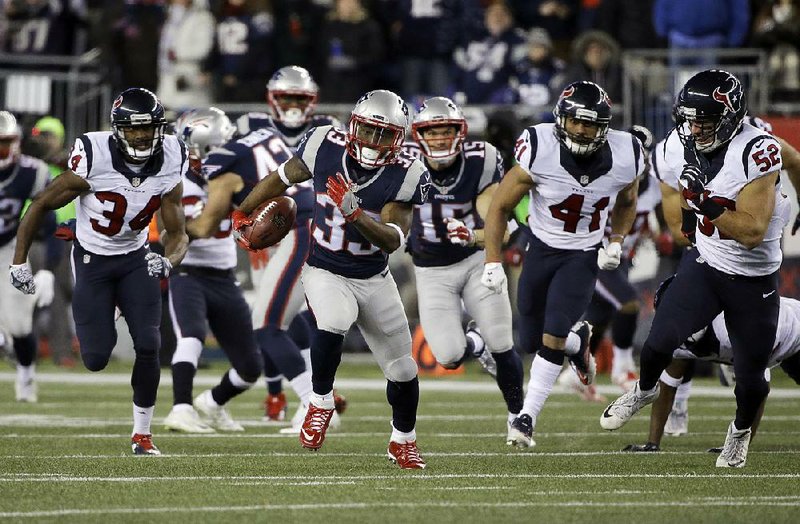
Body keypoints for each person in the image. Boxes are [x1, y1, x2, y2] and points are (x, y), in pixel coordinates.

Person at [600, 70, 791, 469]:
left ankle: (738, 435)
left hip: (753, 278)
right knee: (658, 341)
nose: (695, 127)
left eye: (705, 119)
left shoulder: (756, 150)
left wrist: (702, 202)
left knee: (751, 377)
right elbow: (671, 187)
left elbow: (752, 231)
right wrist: (684, 222)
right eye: (689, 118)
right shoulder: (676, 146)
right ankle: (644, 389)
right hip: (706, 263)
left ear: (732, 116)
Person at [231, 89, 432, 469]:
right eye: (368, 131)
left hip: (373, 276)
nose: (373, 142)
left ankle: (403, 440)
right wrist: (242, 211)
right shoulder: (323, 143)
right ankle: (319, 401)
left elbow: (393, 239)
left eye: (384, 135)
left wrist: (356, 216)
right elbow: (280, 178)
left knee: (403, 369)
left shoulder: (407, 173)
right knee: (335, 321)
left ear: (399, 139)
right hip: (324, 268)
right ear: (354, 126)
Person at [9, 88, 189, 455]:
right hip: (92, 258)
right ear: (117, 129)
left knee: (149, 344)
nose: (141, 136)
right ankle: (111, 306)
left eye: (148, 128)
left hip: (136, 256)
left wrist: (168, 260)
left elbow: (178, 231)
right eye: (133, 129)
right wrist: (19, 260)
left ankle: (142, 435)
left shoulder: (172, 156)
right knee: (95, 358)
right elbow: (41, 203)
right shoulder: (95, 154)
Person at [483, 81, 642, 448]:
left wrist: (615, 239)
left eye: (591, 124)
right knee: (529, 339)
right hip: (540, 249)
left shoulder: (625, 153)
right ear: (561, 119)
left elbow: (628, 200)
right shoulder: (539, 147)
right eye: (575, 122)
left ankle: (525, 419)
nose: (582, 130)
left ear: (605, 127)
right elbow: (501, 206)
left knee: (552, 333)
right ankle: (578, 342)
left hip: (582, 254)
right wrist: (493, 260)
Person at [404, 96, 525, 443]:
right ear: (419, 135)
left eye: (447, 131)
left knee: (503, 341)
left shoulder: (481, 160)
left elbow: (500, 224)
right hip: (430, 270)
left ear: (460, 133)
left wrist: (474, 236)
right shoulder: (406, 163)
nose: (440, 139)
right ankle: (475, 342)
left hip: (474, 262)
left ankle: (518, 417)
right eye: (432, 132)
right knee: (448, 355)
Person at [236, 65, 344, 429]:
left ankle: (313, 401)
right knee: (286, 317)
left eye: (301, 98)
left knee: (269, 322)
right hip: (270, 227)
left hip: (307, 226)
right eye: (287, 98)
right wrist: (248, 214)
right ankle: (288, 394)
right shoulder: (250, 127)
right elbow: (236, 175)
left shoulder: (328, 131)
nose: (294, 105)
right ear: (273, 99)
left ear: (312, 101)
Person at [162, 107, 263, 434]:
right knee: (191, 336)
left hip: (224, 276)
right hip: (188, 271)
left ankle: (213, 403)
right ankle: (180, 408)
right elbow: (167, 232)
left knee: (250, 367)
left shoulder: (234, 179)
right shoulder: (174, 181)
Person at [623, 278, 800, 453]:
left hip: (792, 331)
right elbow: (667, 387)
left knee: (751, 384)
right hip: (774, 343)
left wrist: (738, 445)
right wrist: (652, 444)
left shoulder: (732, 327)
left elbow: (757, 389)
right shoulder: (678, 339)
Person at [0, 111, 55, 402]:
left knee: (21, 325)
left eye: (4, 143)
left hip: (10, 249)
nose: (1, 151)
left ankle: (25, 376)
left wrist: (47, 270)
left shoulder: (32, 172)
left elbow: (49, 222)